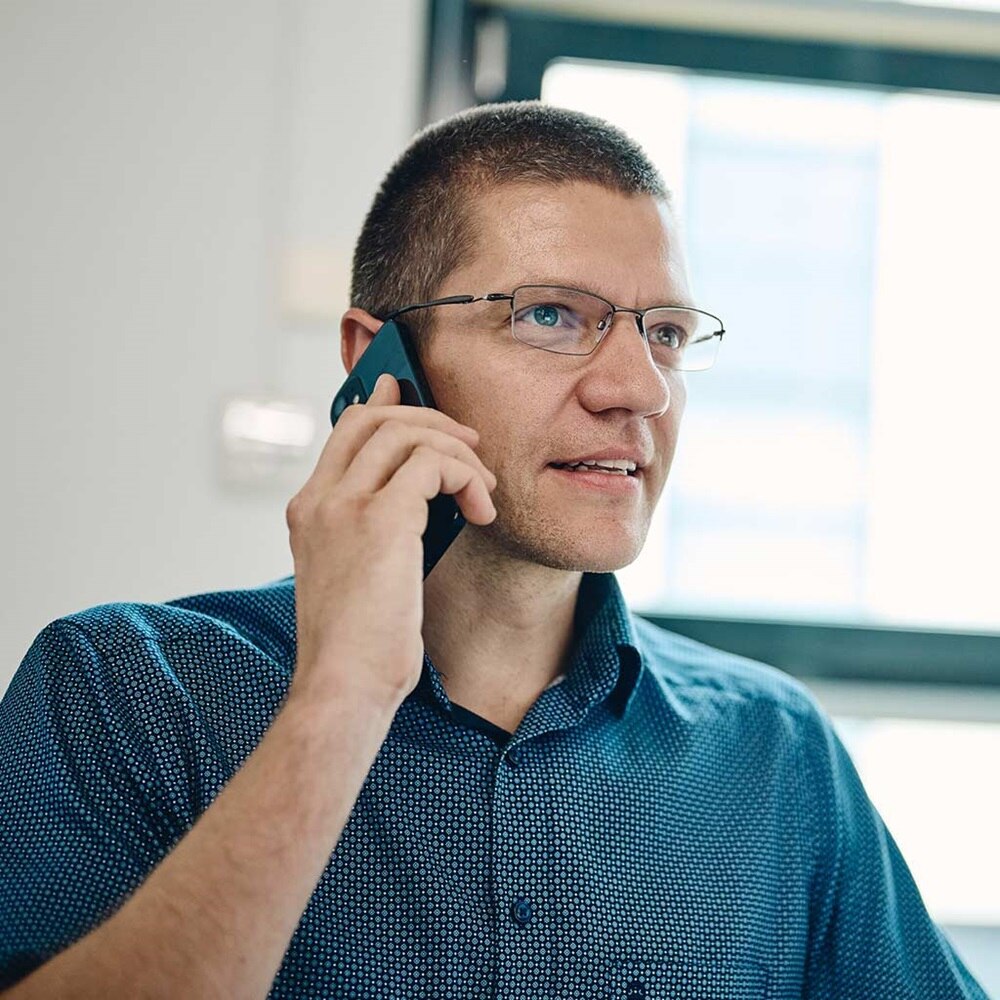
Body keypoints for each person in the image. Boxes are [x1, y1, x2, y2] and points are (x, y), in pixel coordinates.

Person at [0, 101, 988, 1000]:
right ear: (377, 359)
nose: (637, 388)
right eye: (552, 315)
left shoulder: (774, 753)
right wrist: (342, 693)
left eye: (667, 333)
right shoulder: (121, 689)